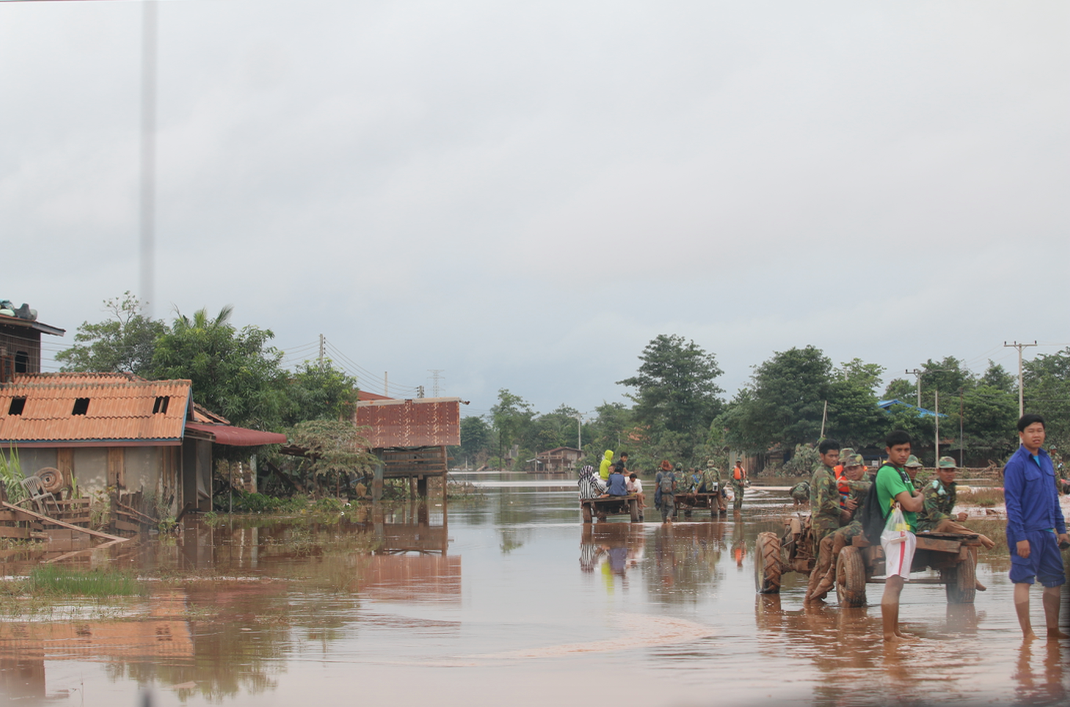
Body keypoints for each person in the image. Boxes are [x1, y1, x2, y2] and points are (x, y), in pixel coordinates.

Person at [1004, 414, 1069, 640]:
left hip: (1047, 532)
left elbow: (1053, 497)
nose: (1036, 435)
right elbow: (1012, 504)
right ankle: (1028, 633)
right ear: (1021, 435)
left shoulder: (1047, 460)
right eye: (1031, 431)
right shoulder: (1015, 464)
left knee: (1055, 581)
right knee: (1023, 580)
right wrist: (1020, 537)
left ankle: (1053, 630)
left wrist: (1061, 529)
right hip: (1025, 532)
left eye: (1039, 430)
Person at [875, 430, 924, 643]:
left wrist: (916, 499)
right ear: (888, 451)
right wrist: (921, 496)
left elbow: (913, 501)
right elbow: (913, 503)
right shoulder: (889, 473)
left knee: (897, 584)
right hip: (899, 532)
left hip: (903, 531)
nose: (903, 454)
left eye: (906, 450)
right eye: (899, 450)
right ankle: (888, 634)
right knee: (893, 583)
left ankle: (895, 631)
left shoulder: (901, 472)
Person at [807, 453, 868, 602]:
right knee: (825, 543)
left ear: (863, 468)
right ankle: (815, 590)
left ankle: (831, 572)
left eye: (855, 468)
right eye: (848, 469)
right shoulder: (828, 476)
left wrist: (847, 484)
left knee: (835, 538)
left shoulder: (867, 482)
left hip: (865, 525)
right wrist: (844, 500)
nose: (852, 472)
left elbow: (869, 487)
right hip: (852, 522)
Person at [805, 439, 843, 604]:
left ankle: (815, 598)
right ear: (822, 456)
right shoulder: (822, 474)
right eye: (831, 456)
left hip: (830, 522)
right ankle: (812, 598)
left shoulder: (829, 472)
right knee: (823, 562)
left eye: (836, 456)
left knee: (825, 562)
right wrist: (843, 512)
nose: (834, 459)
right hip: (824, 523)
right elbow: (824, 503)